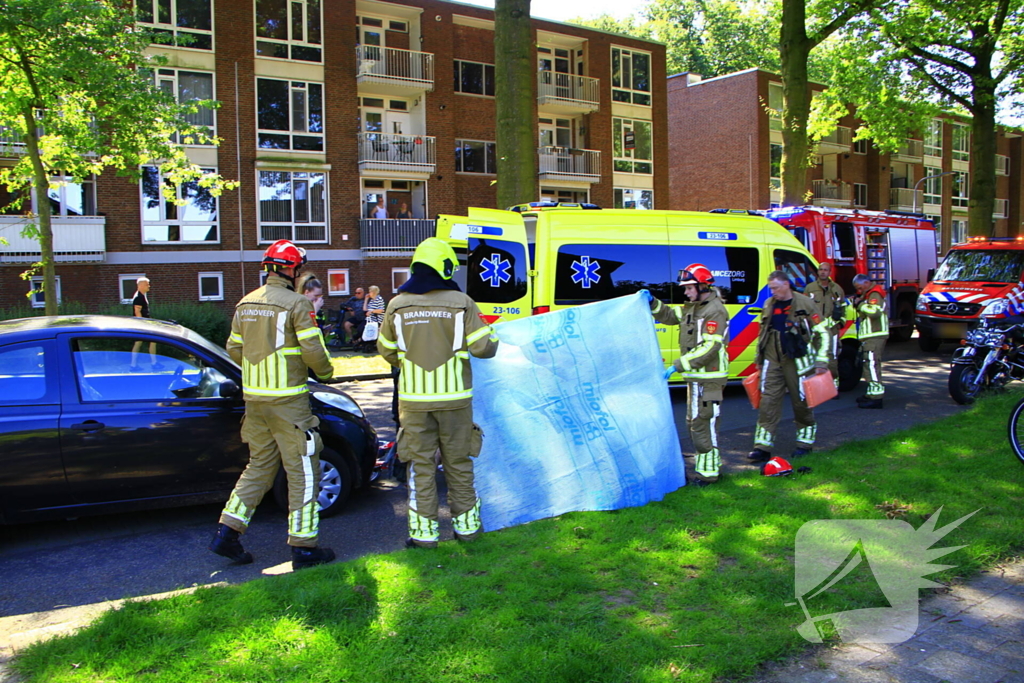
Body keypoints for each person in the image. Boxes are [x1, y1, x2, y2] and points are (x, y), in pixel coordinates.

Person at [209, 239, 337, 571]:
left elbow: (234, 350)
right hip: (288, 403)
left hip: (256, 403)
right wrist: (326, 372)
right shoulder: (296, 304)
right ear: (292, 269)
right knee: (304, 472)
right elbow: (313, 352)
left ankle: (227, 532)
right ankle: (304, 547)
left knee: (259, 467)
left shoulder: (244, 303)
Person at [377, 238, 499, 548]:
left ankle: (423, 535)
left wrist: (409, 360)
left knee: (420, 465)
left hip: (414, 402)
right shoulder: (462, 302)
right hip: (455, 401)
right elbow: (484, 347)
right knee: (458, 463)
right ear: (445, 267)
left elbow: (386, 350)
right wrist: (493, 333)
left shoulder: (396, 305)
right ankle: (468, 530)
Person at [647, 263, 729, 485]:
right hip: (696, 379)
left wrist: (679, 364)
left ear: (702, 286)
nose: (686, 292)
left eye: (689, 288)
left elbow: (710, 347)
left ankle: (709, 475)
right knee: (694, 423)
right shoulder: (694, 307)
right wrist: (653, 303)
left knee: (704, 424)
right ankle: (707, 470)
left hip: (709, 379)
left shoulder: (715, 311)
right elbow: (671, 315)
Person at [748, 270, 831, 462]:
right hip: (772, 359)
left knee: (801, 402)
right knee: (768, 403)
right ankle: (762, 447)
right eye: (771, 288)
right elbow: (763, 335)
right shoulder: (770, 304)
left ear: (786, 284)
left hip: (798, 362)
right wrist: (759, 361)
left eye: (775, 288)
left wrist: (821, 361)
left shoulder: (805, 304)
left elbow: (823, 333)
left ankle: (804, 443)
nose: (773, 292)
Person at [804, 262, 847, 387]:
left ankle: (833, 386)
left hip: (831, 331)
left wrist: (840, 323)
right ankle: (816, 387)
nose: (822, 272)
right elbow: (805, 308)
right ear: (817, 272)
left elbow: (843, 308)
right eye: (820, 269)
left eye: (825, 270)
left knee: (831, 359)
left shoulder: (837, 289)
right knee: (813, 358)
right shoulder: (810, 288)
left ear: (830, 272)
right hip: (814, 330)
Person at [851, 274, 888, 409]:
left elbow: (874, 313)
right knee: (869, 365)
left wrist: (860, 304)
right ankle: (871, 393)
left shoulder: (874, 294)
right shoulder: (869, 295)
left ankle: (876, 397)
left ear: (866, 283)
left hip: (875, 335)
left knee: (872, 366)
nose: (859, 291)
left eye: (859, 288)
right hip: (871, 336)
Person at [130, 277, 158, 369]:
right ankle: (153, 363)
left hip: (143, 324)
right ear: (141, 285)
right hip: (141, 325)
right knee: (151, 341)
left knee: (140, 343)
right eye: (147, 284)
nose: (149, 286)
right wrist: (143, 324)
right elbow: (137, 312)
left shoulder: (142, 296)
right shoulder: (138, 297)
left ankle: (134, 365)